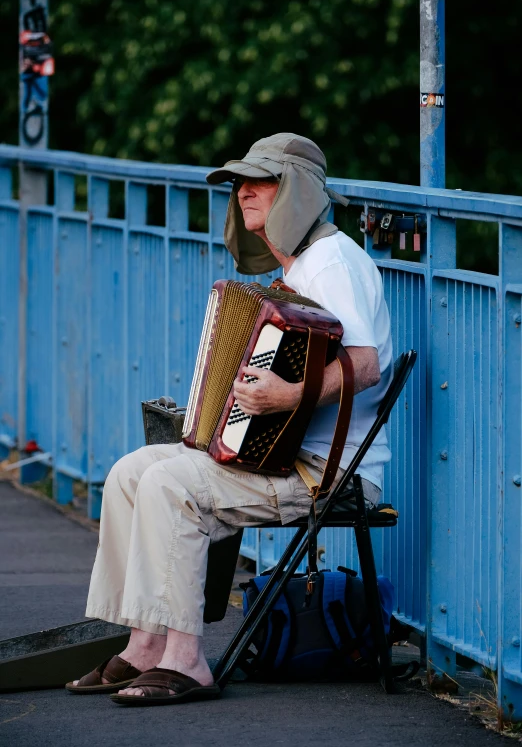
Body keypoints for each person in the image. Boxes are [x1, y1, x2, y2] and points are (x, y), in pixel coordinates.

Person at [66, 133, 393, 705]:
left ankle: (186, 661)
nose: (243, 193)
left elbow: (366, 366)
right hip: (280, 458)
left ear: (297, 191)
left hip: (324, 471)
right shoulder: (298, 267)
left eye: (260, 181)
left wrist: (288, 397)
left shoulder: (332, 262)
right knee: (131, 472)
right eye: (239, 183)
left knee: (171, 483)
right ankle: (145, 645)